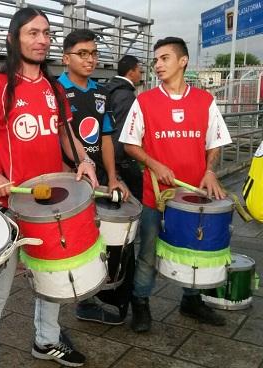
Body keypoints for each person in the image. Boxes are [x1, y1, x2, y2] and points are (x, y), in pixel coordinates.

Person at [0, 8, 97, 368]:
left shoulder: (55, 88)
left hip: (51, 202)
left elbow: (67, 139)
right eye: (32, 33)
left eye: (46, 33)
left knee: (51, 281)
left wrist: (85, 161)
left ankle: (46, 341)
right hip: (10, 205)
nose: (41, 40)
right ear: (13, 38)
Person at [119, 36, 232, 333]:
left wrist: (210, 171)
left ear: (183, 61)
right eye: (155, 60)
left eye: (165, 58)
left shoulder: (205, 101)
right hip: (155, 196)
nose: (157, 65)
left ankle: (191, 300)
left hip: (194, 195)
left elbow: (215, 141)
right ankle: (141, 304)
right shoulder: (143, 101)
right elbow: (130, 144)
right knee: (148, 252)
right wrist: (153, 163)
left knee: (196, 247)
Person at [57, 29, 131, 325]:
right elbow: (58, 136)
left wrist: (113, 177)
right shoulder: (54, 90)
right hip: (70, 181)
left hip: (98, 177)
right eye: (83, 53)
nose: (90, 59)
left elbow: (107, 137)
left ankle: (91, 299)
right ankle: (79, 301)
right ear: (66, 58)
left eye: (94, 53)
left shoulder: (101, 92)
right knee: (76, 242)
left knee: (101, 239)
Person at [104, 55, 143, 201]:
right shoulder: (126, 96)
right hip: (121, 163)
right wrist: (117, 169)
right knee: (133, 200)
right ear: (131, 72)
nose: (141, 74)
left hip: (109, 161)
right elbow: (120, 131)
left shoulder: (110, 89)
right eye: (139, 71)